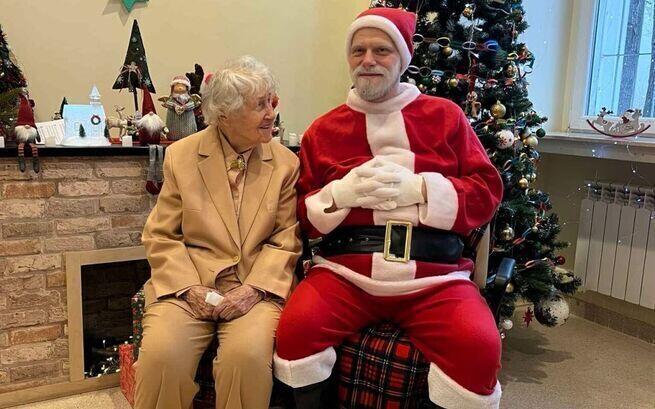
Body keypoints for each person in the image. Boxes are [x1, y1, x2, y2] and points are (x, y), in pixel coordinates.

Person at [273, 8, 504, 409]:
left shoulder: (445, 117)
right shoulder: (322, 131)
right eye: (358, 50)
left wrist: (421, 188)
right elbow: (304, 219)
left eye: (381, 50)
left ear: (402, 58)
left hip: (434, 276)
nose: (368, 60)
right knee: (296, 332)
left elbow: (487, 192)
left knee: (478, 347)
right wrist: (340, 195)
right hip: (346, 271)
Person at [135, 56, 301, 409]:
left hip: (254, 286)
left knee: (246, 359)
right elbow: (161, 235)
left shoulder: (285, 164)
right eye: (260, 105)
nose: (271, 114)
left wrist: (252, 290)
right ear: (224, 115)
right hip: (188, 284)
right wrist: (189, 288)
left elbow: (286, 238)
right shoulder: (181, 156)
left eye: (271, 102)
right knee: (162, 358)